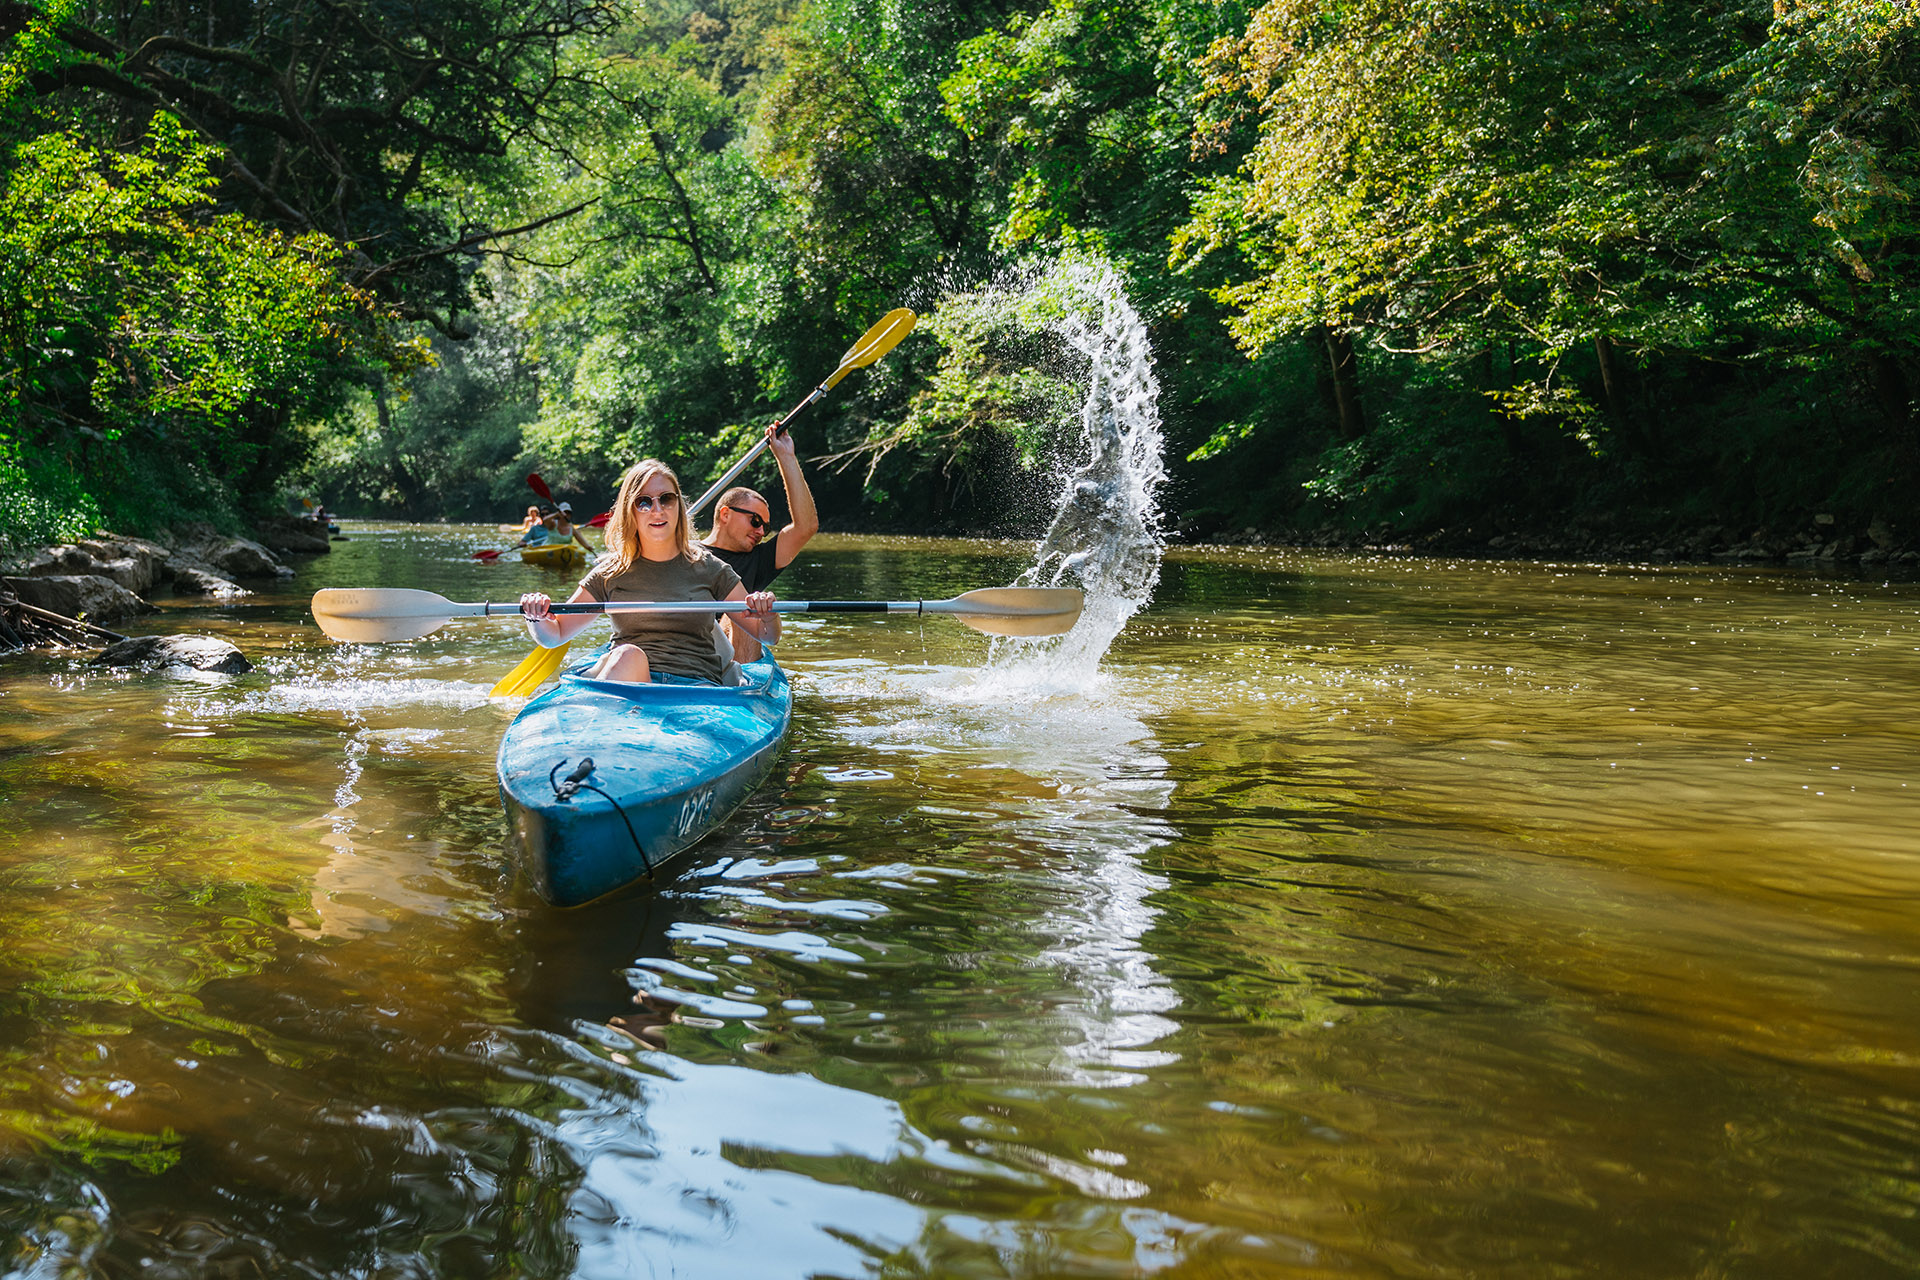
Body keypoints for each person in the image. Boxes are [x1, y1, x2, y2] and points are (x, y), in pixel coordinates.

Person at [520, 459, 773, 684]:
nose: (657, 510)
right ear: (630, 511)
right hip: (629, 684)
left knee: (627, 656)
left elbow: (767, 635)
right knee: (629, 655)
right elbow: (555, 635)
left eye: (666, 498)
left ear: (677, 504)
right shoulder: (610, 572)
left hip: (696, 690)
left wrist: (768, 615)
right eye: (644, 502)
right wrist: (537, 617)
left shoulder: (711, 568)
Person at [700, 423, 819, 592]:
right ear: (726, 514)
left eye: (766, 527)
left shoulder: (759, 560)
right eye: (755, 521)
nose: (761, 532)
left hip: (734, 619)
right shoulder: (684, 553)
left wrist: (786, 457)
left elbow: (806, 527)